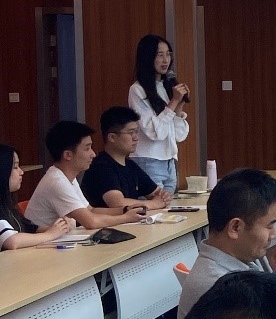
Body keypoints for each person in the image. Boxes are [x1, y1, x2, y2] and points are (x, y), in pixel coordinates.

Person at [177, 168, 276, 319]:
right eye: (269, 226)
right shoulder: (222, 288)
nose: (274, 234)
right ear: (235, 228)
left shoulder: (241, 259)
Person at [24, 121, 147, 231]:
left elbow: (91, 210)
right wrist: (126, 218)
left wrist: (125, 210)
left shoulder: (67, 177)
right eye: (87, 148)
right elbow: (91, 222)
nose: (93, 154)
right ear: (68, 155)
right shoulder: (56, 182)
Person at [127, 34, 190, 194]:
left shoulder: (166, 87)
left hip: (169, 161)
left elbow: (179, 136)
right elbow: (155, 132)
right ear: (148, 57)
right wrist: (173, 102)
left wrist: (179, 107)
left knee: (169, 208)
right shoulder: (137, 90)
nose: (165, 60)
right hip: (148, 160)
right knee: (154, 208)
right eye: (160, 55)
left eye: (168, 54)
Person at [81, 106, 171, 212]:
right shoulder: (101, 166)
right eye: (131, 133)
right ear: (112, 137)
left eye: (137, 132)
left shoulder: (130, 165)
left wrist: (163, 197)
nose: (136, 138)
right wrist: (154, 204)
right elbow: (117, 203)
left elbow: (156, 193)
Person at [0, 144, 73, 250]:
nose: (21, 172)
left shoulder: (8, 206)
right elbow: (12, 241)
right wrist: (50, 234)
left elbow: (31, 229)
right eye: (15, 167)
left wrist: (60, 227)